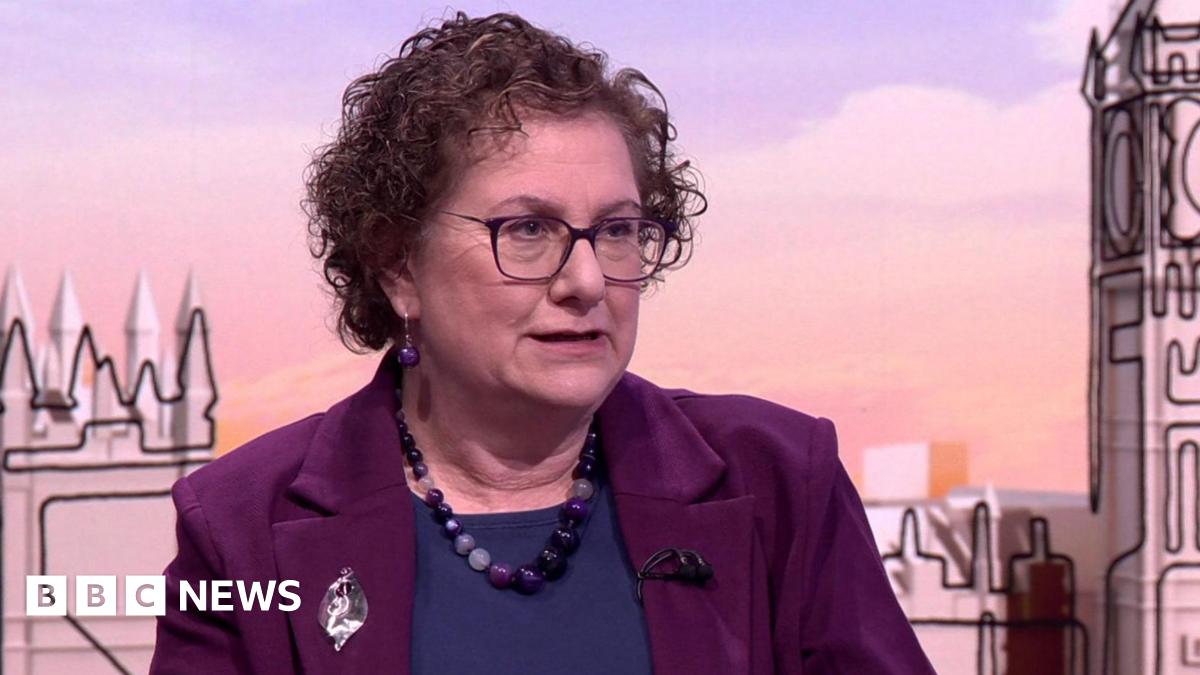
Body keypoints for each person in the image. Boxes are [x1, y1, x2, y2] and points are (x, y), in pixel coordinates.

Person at [150, 11, 934, 675]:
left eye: (618, 230)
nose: (587, 280)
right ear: (398, 264)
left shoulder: (779, 480)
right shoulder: (240, 526)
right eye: (527, 229)